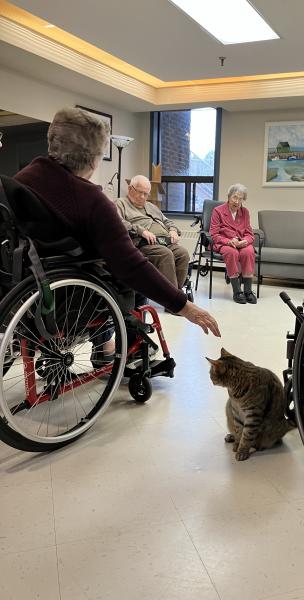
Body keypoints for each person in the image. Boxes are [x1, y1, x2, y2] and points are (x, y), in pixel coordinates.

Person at [14, 106, 220, 339]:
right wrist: (183, 305)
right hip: (67, 299)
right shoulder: (91, 199)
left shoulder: (20, 181)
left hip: (22, 285)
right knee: (129, 281)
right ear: (94, 159)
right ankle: (127, 348)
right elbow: (129, 264)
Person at [116, 176, 189, 291]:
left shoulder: (151, 206)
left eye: (146, 194)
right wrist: (141, 230)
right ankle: (174, 301)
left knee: (183, 253)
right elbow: (118, 222)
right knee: (165, 254)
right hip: (143, 243)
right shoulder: (120, 203)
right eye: (140, 192)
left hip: (164, 241)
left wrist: (173, 230)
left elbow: (167, 221)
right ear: (130, 189)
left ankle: (175, 296)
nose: (142, 197)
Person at [209, 183, 257, 304]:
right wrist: (229, 241)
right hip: (224, 243)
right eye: (235, 197)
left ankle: (248, 291)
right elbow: (214, 234)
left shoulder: (245, 212)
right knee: (231, 252)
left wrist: (246, 241)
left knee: (249, 251)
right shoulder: (218, 211)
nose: (237, 201)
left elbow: (249, 233)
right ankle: (237, 291)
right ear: (229, 196)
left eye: (240, 199)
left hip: (241, 243)